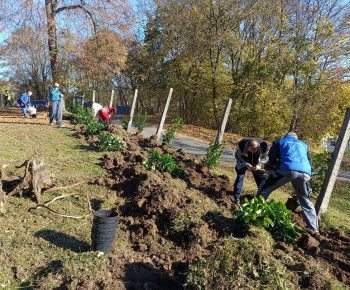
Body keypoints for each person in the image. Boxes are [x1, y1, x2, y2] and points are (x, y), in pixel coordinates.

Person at [257, 132, 318, 232]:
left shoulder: (279, 142)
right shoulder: (304, 145)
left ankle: (255, 214)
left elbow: (272, 158)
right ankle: (314, 229)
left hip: (287, 170)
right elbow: (309, 162)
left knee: (264, 188)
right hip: (305, 173)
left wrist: (274, 167)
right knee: (306, 200)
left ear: (286, 136)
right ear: (296, 138)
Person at [233, 138, 269, 204]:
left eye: (255, 149)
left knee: (260, 177)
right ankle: (237, 197)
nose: (253, 151)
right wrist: (247, 165)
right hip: (244, 160)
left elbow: (267, 157)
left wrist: (259, 165)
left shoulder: (264, 145)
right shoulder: (241, 145)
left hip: (258, 160)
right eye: (251, 150)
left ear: (258, 146)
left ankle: (263, 196)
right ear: (247, 147)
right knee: (240, 177)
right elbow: (237, 156)